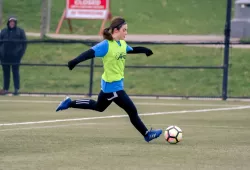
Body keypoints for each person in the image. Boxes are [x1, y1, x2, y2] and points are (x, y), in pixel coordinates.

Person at [56, 16, 162, 142]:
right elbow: (89, 53)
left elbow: (131, 50)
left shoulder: (122, 43)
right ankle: (147, 134)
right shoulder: (106, 45)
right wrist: (74, 61)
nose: (126, 33)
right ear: (116, 30)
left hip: (111, 86)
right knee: (132, 110)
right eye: (124, 30)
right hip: (113, 87)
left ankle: (70, 103)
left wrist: (144, 50)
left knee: (99, 107)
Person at [0, 16, 27, 95]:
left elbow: (24, 44)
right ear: (8, 23)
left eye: (13, 22)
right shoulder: (3, 31)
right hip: (4, 56)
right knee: (6, 73)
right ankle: (5, 89)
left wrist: (20, 54)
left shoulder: (20, 31)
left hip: (15, 56)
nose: (12, 23)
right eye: (10, 22)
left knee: (15, 72)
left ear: (15, 23)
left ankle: (16, 89)